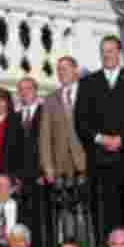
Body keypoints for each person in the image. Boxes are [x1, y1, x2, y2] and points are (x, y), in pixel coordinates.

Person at [74, 35, 124, 234]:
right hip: (99, 156)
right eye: (103, 52)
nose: (107, 56)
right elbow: (80, 121)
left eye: (111, 51)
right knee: (102, 207)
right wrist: (101, 139)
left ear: (119, 53)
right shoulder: (88, 83)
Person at [39, 55, 86, 183]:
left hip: (86, 162)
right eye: (59, 70)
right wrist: (47, 166)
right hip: (61, 167)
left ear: (75, 70)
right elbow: (45, 136)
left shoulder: (89, 93)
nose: (61, 73)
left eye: (65, 69)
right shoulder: (50, 99)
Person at [2, 77, 43, 186]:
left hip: (42, 177)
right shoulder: (12, 118)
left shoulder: (48, 113)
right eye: (21, 89)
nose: (24, 92)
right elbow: (7, 149)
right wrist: (11, 176)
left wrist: (46, 172)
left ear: (36, 90)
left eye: (28, 88)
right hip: (18, 179)